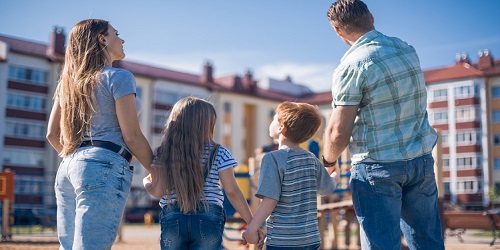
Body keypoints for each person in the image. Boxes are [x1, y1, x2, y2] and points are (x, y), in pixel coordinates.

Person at [323, 1, 445, 249]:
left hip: (377, 166)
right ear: (371, 17)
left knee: (381, 244)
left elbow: (338, 131)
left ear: (337, 31)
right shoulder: (406, 49)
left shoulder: (351, 65)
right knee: (428, 241)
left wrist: (328, 160)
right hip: (420, 160)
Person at [46, 19, 153, 249]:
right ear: (102, 39)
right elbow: (132, 136)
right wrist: (158, 169)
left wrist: (79, 160)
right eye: (116, 33)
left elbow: (51, 136)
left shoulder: (68, 84)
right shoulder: (119, 77)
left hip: (67, 168)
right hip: (103, 166)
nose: (122, 39)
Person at [143, 97, 263, 250]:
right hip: (209, 218)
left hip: (173, 218)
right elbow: (232, 191)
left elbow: (158, 191)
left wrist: (146, 182)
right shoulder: (220, 153)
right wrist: (251, 223)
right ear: (208, 125)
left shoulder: (164, 154)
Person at [243, 101, 340, 250]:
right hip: (310, 239)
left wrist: (252, 228)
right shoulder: (311, 159)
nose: (272, 122)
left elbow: (270, 200)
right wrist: (335, 172)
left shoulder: (273, 158)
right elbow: (327, 188)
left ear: (282, 127)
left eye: (274, 118)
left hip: (283, 241)